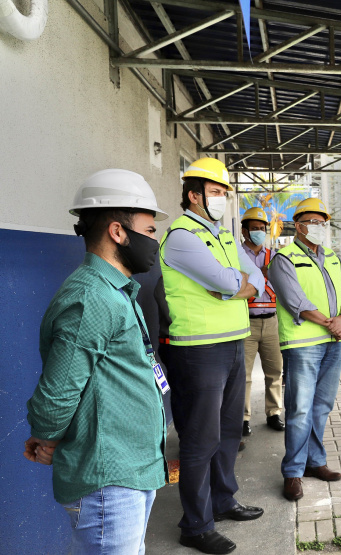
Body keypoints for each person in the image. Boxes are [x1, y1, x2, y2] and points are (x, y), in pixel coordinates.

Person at [25, 169, 169, 554]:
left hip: (132, 470)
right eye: (151, 230)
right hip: (109, 480)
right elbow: (56, 397)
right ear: (119, 233)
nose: (155, 241)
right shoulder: (91, 298)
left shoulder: (115, 291)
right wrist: (48, 435)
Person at [160, 158, 265, 554]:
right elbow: (228, 280)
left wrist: (235, 286)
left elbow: (254, 278)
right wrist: (233, 284)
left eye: (224, 193)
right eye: (218, 192)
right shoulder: (183, 236)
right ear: (195, 195)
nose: (223, 200)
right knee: (200, 440)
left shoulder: (222, 236)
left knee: (228, 432)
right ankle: (195, 525)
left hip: (233, 342)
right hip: (199, 349)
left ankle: (223, 501)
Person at [269, 198, 341, 502]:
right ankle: (292, 472)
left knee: (321, 407)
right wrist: (330, 323)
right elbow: (296, 301)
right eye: (313, 221)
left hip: (334, 343)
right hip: (303, 343)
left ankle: (315, 462)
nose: (319, 227)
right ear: (299, 224)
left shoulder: (332, 257)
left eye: (323, 222)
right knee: (300, 409)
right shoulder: (283, 258)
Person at [239, 206, 284, 437]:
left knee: (274, 370)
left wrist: (266, 274)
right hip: (245, 322)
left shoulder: (275, 256)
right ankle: (243, 418)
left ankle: (274, 413)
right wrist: (261, 274)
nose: (259, 232)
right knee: (244, 374)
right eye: (254, 228)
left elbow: (283, 286)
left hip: (272, 320)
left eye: (262, 228)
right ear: (244, 231)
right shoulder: (236, 255)